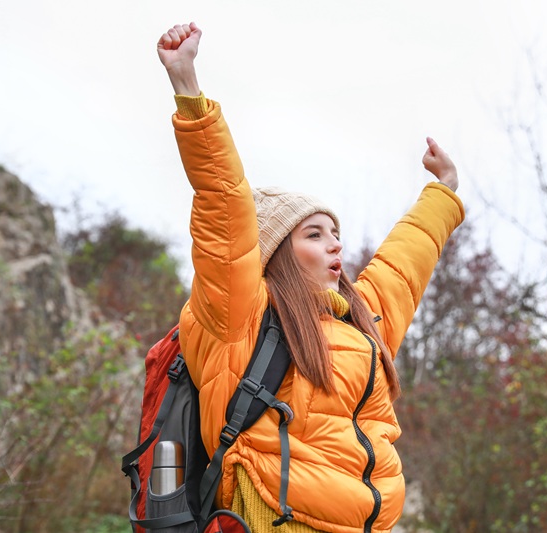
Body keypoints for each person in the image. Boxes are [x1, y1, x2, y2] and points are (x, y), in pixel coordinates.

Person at [157, 22, 464, 533]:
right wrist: (188, 88)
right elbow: (223, 203)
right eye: (315, 234)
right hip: (276, 518)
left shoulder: (361, 322)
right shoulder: (240, 316)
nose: (336, 245)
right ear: (275, 252)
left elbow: (404, 263)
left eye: (335, 232)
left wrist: (444, 190)